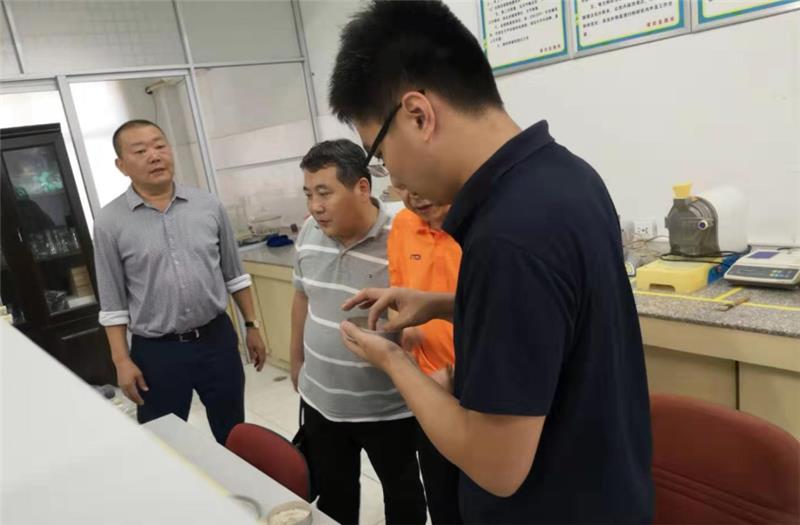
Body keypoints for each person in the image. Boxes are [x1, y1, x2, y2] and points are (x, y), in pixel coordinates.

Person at [332, 2, 654, 523]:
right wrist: (443, 304)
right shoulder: (566, 174)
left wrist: (394, 362)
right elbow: (555, 316)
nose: (394, 178)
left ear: (418, 115)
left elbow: (496, 465)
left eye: (380, 154)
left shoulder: (507, 235)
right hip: (604, 490)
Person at [93, 119, 267, 445]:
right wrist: (121, 360)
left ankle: (235, 479)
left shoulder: (208, 206)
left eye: (160, 146)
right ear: (121, 165)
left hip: (216, 339)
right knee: (166, 441)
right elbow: (112, 302)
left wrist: (251, 325)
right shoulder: (109, 222)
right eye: (140, 151)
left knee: (233, 432)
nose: (154, 156)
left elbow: (234, 273)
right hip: (157, 352)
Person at [290, 139, 426, 525]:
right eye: (308, 194)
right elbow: (301, 297)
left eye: (324, 193)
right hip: (323, 402)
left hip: (390, 408)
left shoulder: (404, 233)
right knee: (335, 500)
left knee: (404, 498)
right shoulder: (308, 232)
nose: (315, 206)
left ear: (362, 187)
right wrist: (297, 360)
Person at [387, 188, 462, 525]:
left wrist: (455, 374)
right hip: (430, 391)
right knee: (441, 496)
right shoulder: (403, 225)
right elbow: (398, 295)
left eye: (418, 180)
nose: (412, 195)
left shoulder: (485, 228)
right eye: (400, 184)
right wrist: (401, 333)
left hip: (483, 390)